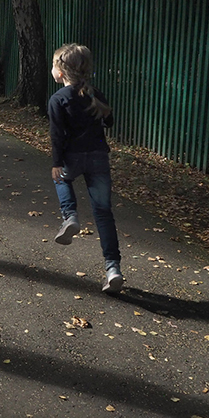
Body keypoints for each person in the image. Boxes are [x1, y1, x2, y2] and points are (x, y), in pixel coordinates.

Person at [48, 43, 123, 293]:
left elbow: (57, 135)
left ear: (60, 71)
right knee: (103, 213)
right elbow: (109, 121)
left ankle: (70, 216)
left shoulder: (58, 99)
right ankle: (113, 269)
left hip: (72, 157)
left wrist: (56, 163)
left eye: (53, 65)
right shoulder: (95, 94)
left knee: (61, 179)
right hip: (98, 157)